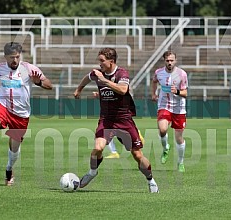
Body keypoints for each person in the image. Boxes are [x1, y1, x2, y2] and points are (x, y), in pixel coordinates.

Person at [74, 47, 158, 193]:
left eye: (102, 61)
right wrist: (79, 89)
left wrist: (103, 80)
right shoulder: (97, 73)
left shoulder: (121, 73)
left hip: (124, 120)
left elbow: (123, 90)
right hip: (106, 119)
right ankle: (92, 172)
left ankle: (150, 180)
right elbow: (87, 77)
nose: (99, 64)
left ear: (111, 62)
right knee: (97, 149)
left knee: (137, 155)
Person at [0, 42, 53, 186]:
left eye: (17, 57)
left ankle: (9, 169)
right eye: (11, 57)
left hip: (21, 114)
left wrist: (38, 82)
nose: (15, 60)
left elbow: (50, 85)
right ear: (5, 57)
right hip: (3, 106)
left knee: (14, 147)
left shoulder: (29, 69)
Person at [151, 51, 188, 173]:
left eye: (172, 60)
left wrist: (176, 91)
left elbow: (185, 93)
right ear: (164, 61)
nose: (169, 63)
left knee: (179, 138)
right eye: (167, 60)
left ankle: (180, 162)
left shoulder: (182, 74)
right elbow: (154, 81)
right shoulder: (159, 72)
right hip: (164, 106)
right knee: (162, 129)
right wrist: (153, 93)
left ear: (175, 61)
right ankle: (165, 147)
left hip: (179, 109)